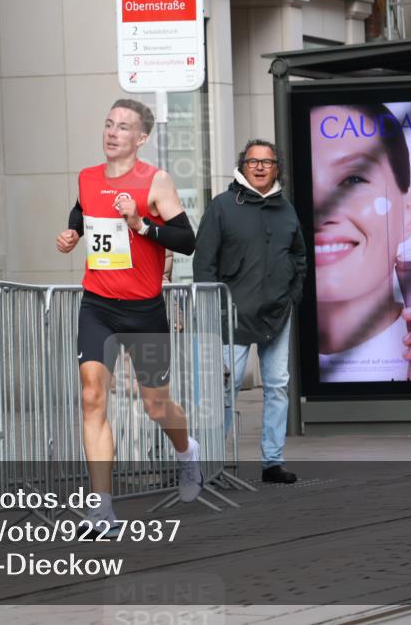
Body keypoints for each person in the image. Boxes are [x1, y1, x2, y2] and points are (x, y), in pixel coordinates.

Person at [56, 99, 200, 534]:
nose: (112, 132)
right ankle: (101, 509)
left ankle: (186, 450)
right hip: (97, 305)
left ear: (141, 138)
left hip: (144, 310)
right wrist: (71, 234)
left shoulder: (155, 181)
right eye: (108, 124)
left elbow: (187, 240)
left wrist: (140, 225)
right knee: (91, 398)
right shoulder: (87, 177)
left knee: (156, 406)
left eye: (123, 127)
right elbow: (82, 211)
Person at [310, 104, 411, 382]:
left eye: (353, 179)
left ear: (407, 211)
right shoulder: (278, 361)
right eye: (303, 184)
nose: (322, 210)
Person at [193, 139, 307, 484]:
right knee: (223, 391)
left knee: (277, 387)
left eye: (267, 162)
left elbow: (299, 257)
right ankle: (210, 465)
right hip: (232, 317)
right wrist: (212, 310)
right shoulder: (222, 207)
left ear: (277, 169)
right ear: (242, 166)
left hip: (277, 313)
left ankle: (272, 461)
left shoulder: (286, 209)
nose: (259, 167)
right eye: (252, 161)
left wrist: (293, 295)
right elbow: (204, 263)